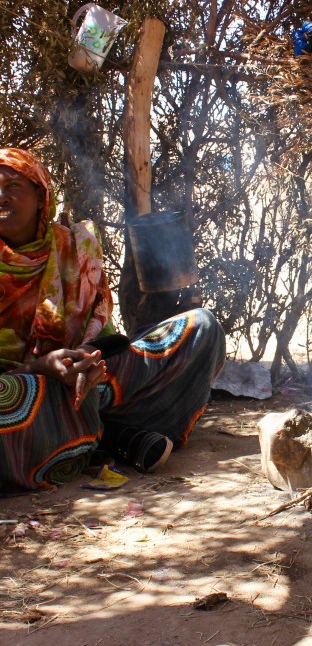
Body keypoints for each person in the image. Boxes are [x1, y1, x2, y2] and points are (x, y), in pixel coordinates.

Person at [0, 147, 225, 494]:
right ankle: (110, 436)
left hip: (91, 382)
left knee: (202, 328)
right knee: (11, 400)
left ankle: (92, 433)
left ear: (41, 197)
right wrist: (41, 367)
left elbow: (101, 331)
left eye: (14, 186)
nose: (2, 196)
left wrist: (89, 358)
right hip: (25, 387)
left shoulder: (76, 247)